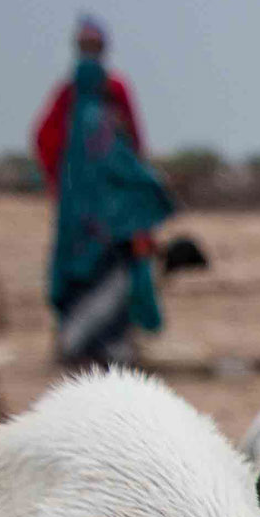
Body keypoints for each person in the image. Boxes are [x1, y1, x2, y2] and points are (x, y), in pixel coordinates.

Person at [44, 36, 176, 369]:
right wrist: (155, 194)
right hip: (107, 233)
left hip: (80, 228)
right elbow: (131, 163)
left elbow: (44, 139)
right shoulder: (103, 126)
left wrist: (59, 187)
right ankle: (102, 349)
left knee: (86, 284)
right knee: (111, 285)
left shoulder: (74, 124)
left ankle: (79, 347)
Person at [33, 16, 141, 186]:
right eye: (86, 46)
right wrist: (59, 175)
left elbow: (133, 136)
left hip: (109, 180)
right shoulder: (68, 92)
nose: (90, 51)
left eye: (93, 46)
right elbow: (45, 136)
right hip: (78, 181)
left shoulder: (115, 88)